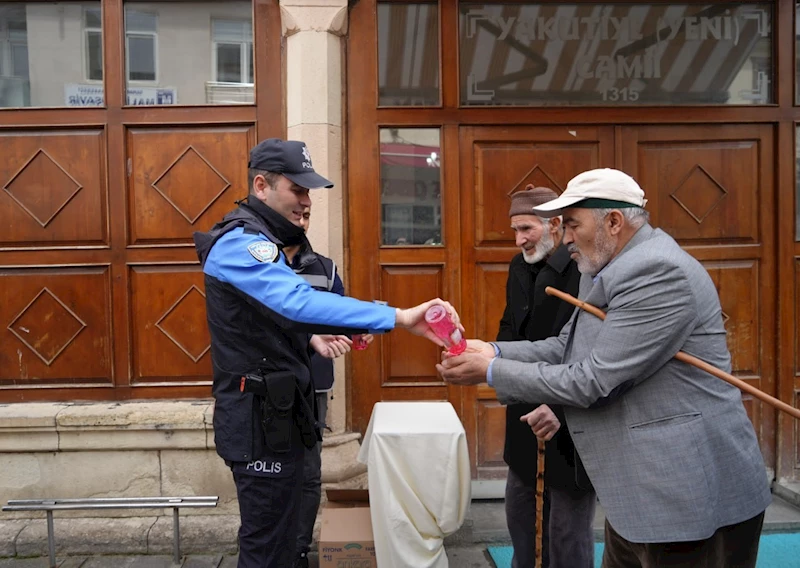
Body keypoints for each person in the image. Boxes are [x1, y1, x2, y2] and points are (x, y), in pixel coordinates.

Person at [437, 168, 771, 568]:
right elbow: (567, 346)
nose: (567, 236)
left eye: (574, 223)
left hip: (688, 495)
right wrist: (492, 351)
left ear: (613, 222)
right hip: (638, 493)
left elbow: (593, 379)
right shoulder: (608, 265)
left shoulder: (656, 270)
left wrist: (490, 372)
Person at [193, 138, 459, 568]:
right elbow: (296, 303)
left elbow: (277, 320)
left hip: (280, 414)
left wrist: (325, 333)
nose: (306, 200)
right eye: (297, 189)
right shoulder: (242, 243)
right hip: (259, 420)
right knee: (266, 548)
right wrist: (400, 316)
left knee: (281, 541)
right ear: (261, 185)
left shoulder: (268, 244)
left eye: (309, 191)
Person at [498, 185, 595, 568]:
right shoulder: (518, 266)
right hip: (524, 410)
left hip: (568, 415)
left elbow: (585, 349)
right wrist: (494, 363)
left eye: (527, 229)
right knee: (520, 516)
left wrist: (556, 401)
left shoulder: (583, 268)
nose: (520, 240)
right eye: (515, 231)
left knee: (566, 534)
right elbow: (509, 327)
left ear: (555, 224)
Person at [283, 207, 373, 567]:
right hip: (267, 386)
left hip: (314, 386)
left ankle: (300, 550)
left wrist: (358, 327)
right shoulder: (257, 265)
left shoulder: (325, 268)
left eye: (305, 217)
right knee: (273, 473)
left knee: (308, 472)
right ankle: (274, 548)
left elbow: (339, 313)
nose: (300, 223)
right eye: (294, 216)